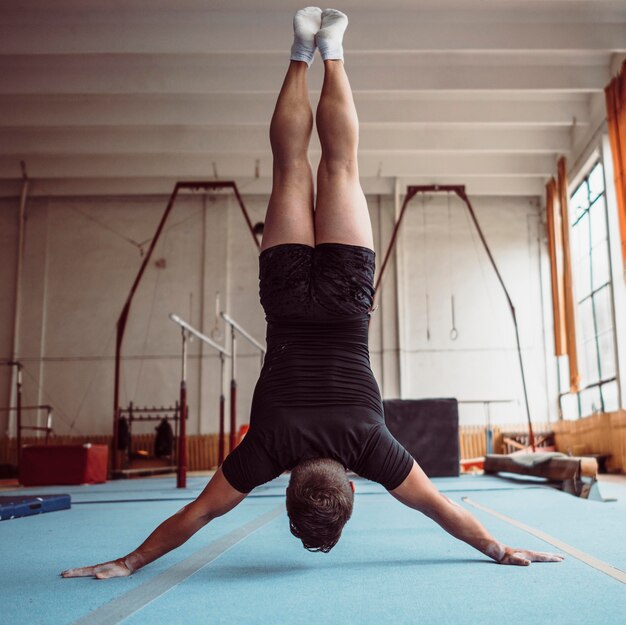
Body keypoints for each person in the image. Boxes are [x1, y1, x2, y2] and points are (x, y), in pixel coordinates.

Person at [61, 8, 563, 580]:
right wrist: (129, 563)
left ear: (351, 483)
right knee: (289, 167)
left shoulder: (373, 447)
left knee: (342, 168)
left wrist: (500, 549)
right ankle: (302, 51)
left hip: (348, 300)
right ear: (286, 490)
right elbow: (198, 514)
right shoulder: (266, 449)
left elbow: (442, 509)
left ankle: (333, 49)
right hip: (286, 298)